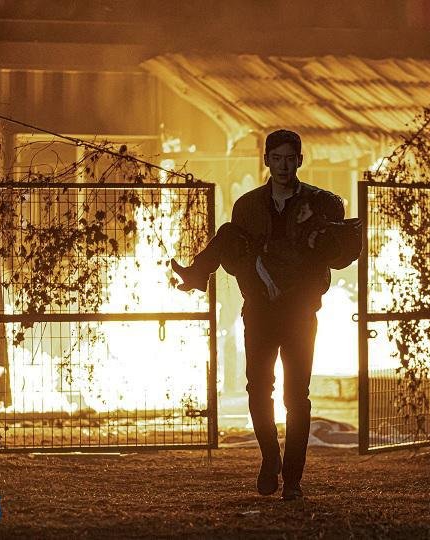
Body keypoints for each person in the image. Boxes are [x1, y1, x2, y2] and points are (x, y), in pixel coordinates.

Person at [171, 129, 362, 501]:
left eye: (290, 159)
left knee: (296, 397)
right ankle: (270, 457)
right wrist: (259, 277)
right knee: (258, 390)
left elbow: (336, 255)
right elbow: (236, 256)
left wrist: (315, 235)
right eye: (277, 158)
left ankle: (292, 481)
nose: (284, 166)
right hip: (259, 310)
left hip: (299, 313)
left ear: (299, 160)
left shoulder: (320, 203)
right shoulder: (248, 206)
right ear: (267, 161)